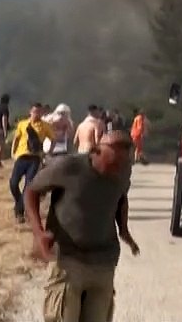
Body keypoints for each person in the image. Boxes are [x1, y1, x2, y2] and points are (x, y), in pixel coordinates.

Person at [25, 129, 139, 322]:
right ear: (96, 152)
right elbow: (31, 191)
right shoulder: (68, 167)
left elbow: (120, 197)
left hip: (104, 262)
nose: (117, 170)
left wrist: (124, 231)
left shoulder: (122, 170)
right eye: (113, 164)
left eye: (124, 163)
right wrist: (38, 232)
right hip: (68, 260)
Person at [9, 102, 55, 224]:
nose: (37, 114)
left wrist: (47, 152)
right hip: (21, 156)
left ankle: (20, 212)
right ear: (30, 112)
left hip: (35, 158)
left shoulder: (45, 126)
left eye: (39, 112)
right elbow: (16, 138)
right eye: (35, 111)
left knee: (28, 185)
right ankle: (19, 202)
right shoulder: (22, 124)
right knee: (13, 183)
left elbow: (53, 139)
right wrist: (12, 152)